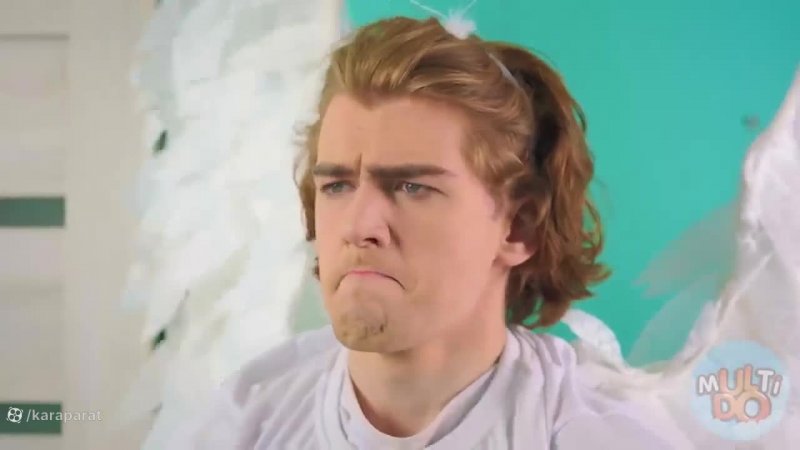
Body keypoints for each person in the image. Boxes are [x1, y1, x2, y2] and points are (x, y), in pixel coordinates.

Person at [169, 16, 680, 449]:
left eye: (412, 187)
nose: (358, 227)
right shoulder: (242, 422)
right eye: (337, 186)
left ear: (518, 227)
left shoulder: (596, 433)